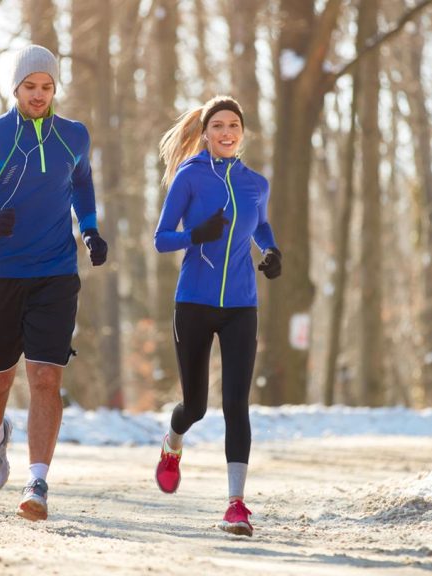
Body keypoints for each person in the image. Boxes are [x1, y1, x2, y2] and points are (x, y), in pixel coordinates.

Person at [0, 45, 107, 521]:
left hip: (55, 272)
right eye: (31, 87)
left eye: (47, 87)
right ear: (15, 89)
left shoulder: (73, 135)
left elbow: (81, 183)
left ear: (56, 89)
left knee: (46, 377)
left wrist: (90, 229)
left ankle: (38, 483)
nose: (39, 95)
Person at [152, 95, 281, 537]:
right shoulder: (189, 178)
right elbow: (161, 239)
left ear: (242, 133)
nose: (227, 133)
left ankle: (236, 504)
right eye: (218, 126)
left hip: (242, 305)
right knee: (197, 406)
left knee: (236, 405)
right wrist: (195, 235)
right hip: (194, 302)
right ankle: (173, 444)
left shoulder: (255, 184)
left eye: (234, 126)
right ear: (205, 133)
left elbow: (260, 224)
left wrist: (272, 250)